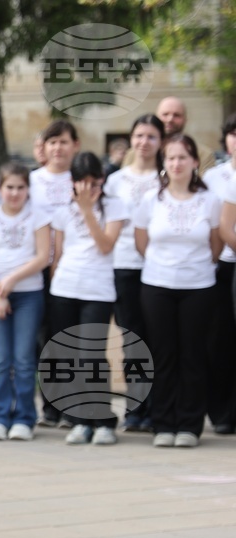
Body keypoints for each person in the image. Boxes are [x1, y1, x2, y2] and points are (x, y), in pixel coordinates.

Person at [134, 134, 222, 447]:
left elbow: (215, 244)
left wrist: (191, 266)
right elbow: (142, 241)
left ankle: (189, 425)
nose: (176, 163)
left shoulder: (209, 200)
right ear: (164, 163)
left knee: (193, 356)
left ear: (195, 162)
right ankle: (163, 424)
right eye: (170, 157)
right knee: (163, 355)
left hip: (198, 287)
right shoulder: (151, 200)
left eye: (183, 157)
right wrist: (165, 265)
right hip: (157, 286)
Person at [49, 152, 128, 445]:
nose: (89, 190)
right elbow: (57, 252)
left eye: (94, 184)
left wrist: (87, 210)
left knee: (91, 354)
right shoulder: (60, 209)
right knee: (70, 355)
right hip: (65, 286)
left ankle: (104, 420)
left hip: (98, 289)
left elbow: (106, 245)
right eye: (83, 184)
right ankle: (80, 420)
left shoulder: (114, 207)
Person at [0, 163, 50, 442]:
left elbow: (43, 257)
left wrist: (10, 282)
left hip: (28, 294)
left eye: (20, 188)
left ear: (28, 190)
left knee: (23, 358)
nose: (14, 193)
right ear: (0, 188)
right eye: (9, 187)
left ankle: (24, 418)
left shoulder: (38, 217)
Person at [104, 114, 164, 434]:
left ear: (161, 142)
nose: (144, 142)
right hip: (123, 265)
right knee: (132, 340)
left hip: (159, 271)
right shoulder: (115, 180)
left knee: (157, 339)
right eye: (139, 135)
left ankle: (158, 408)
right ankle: (136, 409)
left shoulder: (168, 177)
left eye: (151, 136)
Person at [31, 120, 80, 427]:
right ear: (43, 148)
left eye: (64, 142)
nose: (58, 148)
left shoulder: (83, 180)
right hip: (37, 269)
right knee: (46, 338)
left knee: (70, 337)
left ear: (75, 145)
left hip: (73, 269)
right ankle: (50, 405)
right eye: (52, 142)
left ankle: (72, 404)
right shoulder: (31, 180)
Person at [201, 112, 236, 435]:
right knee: (219, 341)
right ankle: (222, 412)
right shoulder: (213, 178)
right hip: (220, 266)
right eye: (233, 134)